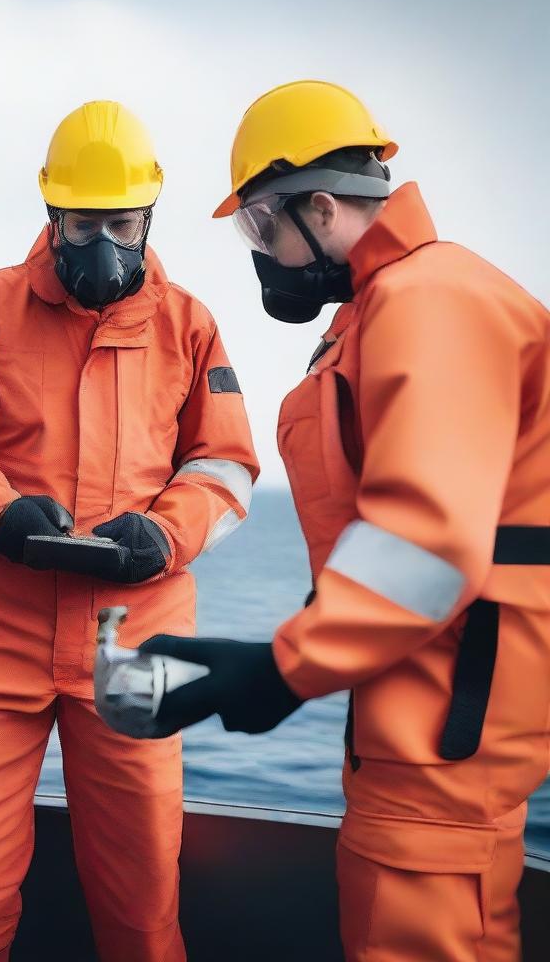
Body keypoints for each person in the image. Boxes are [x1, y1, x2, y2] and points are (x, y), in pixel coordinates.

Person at [108, 79, 550, 961]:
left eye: (260, 225)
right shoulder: (392, 306)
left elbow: (423, 545)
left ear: (317, 207)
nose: (259, 251)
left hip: (445, 733)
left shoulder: (430, 306)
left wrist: (277, 669)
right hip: (426, 710)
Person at [0, 99, 259, 961]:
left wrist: (164, 537)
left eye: (121, 222)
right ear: (49, 212)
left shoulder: (192, 323)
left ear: (150, 216)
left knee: (142, 896)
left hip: (139, 639)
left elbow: (227, 465)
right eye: (81, 220)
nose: (101, 240)